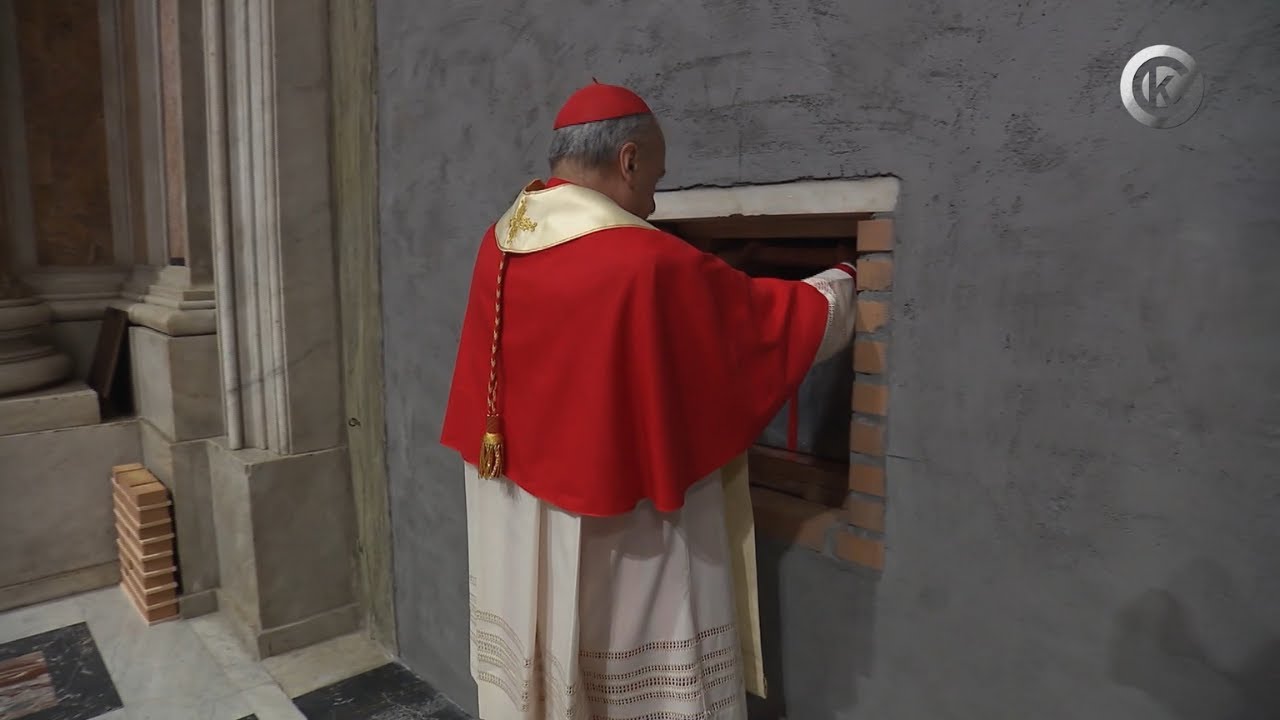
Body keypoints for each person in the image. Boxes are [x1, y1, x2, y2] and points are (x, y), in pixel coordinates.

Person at [440, 81, 858, 720]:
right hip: (620, 525)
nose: (654, 199)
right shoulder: (645, 260)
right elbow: (764, 326)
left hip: (520, 501)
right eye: (654, 179)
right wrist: (841, 282)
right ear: (628, 159)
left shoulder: (499, 242)